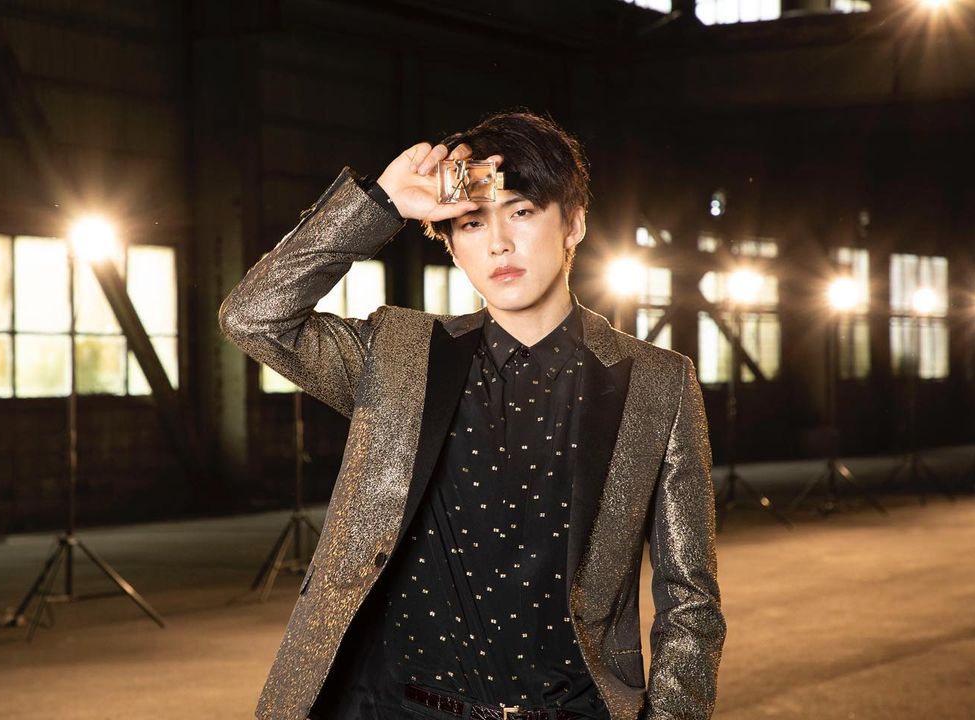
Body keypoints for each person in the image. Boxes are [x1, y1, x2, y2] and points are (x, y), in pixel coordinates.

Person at [218, 110, 725, 720]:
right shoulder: (399, 357)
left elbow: (690, 600)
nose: (498, 243)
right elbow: (254, 317)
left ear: (573, 223)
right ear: (453, 245)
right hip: (396, 708)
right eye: (471, 222)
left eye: (521, 211)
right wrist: (381, 204)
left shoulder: (657, 382)